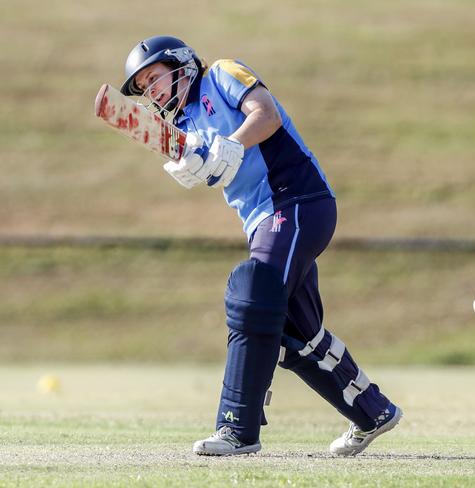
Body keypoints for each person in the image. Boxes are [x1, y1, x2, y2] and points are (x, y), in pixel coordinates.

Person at [120, 35, 402, 456]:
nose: (151, 91)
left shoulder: (221, 73)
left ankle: (237, 428)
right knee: (294, 335)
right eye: (143, 87)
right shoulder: (182, 124)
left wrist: (232, 142)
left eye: (153, 77)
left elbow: (265, 116)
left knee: (253, 300)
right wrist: (194, 162)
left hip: (298, 200)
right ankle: (372, 410)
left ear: (180, 64)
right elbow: (211, 164)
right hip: (262, 222)